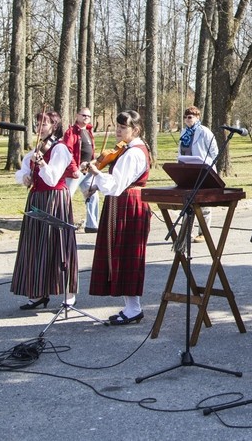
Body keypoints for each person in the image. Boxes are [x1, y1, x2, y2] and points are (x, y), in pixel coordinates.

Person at [86, 110, 152, 325]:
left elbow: (115, 184)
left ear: (135, 129)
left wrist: (96, 173)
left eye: (123, 128)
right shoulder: (128, 150)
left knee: (126, 255)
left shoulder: (134, 153)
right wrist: (96, 184)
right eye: (118, 126)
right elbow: (116, 183)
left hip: (128, 205)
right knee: (119, 255)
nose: (118, 131)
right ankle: (131, 307)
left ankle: (134, 308)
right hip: (122, 202)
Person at [12, 110, 78, 310]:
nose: (40, 127)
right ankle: (38, 292)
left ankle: (69, 294)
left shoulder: (60, 149)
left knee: (58, 245)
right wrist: (24, 176)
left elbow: (52, 177)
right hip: (37, 198)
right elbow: (23, 168)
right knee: (35, 247)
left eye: (45, 124)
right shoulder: (36, 149)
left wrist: (41, 163)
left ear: (54, 127)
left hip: (55, 199)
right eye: (38, 123)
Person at [178, 106, 219, 243]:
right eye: (185, 117)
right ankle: (187, 232)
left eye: (190, 117)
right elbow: (181, 150)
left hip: (203, 170)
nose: (187, 120)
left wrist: (210, 167)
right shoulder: (184, 132)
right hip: (188, 170)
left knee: (203, 203)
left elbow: (214, 151)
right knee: (188, 202)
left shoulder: (204, 132)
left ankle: (204, 232)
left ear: (197, 117)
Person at [61, 107, 99, 234]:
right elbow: (67, 152)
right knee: (66, 197)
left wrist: (94, 163)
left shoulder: (88, 131)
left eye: (88, 116)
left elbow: (90, 150)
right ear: (77, 116)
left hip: (88, 169)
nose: (86, 118)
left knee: (93, 195)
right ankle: (62, 223)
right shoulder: (71, 132)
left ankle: (92, 225)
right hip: (75, 171)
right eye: (83, 115)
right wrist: (74, 169)